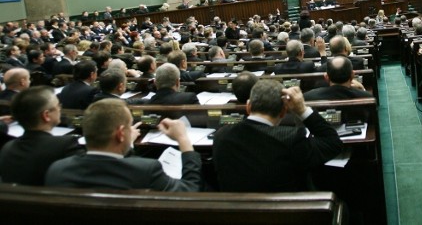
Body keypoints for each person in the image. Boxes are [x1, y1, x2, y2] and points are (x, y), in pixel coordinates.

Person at [211, 80, 342, 191]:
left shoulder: (221, 135)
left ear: (248, 106)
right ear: (284, 111)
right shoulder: (292, 137)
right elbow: (333, 143)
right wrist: (302, 110)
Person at [45, 98, 201, 191]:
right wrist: (183, 140)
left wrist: (128, 144)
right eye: (129, 125)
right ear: (120, 134)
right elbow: (189, 189)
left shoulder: (57, 170)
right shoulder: (147, 170)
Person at [0, 86, 84, 185]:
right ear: (46, 115)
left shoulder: (7, 147)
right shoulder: (66, 145)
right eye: (58, 106)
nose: (60, 109)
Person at [304, 56, 372, 101]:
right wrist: (363, 89)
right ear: (352, 75)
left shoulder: (308, 97)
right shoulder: (366, 97)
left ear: (326, 77)